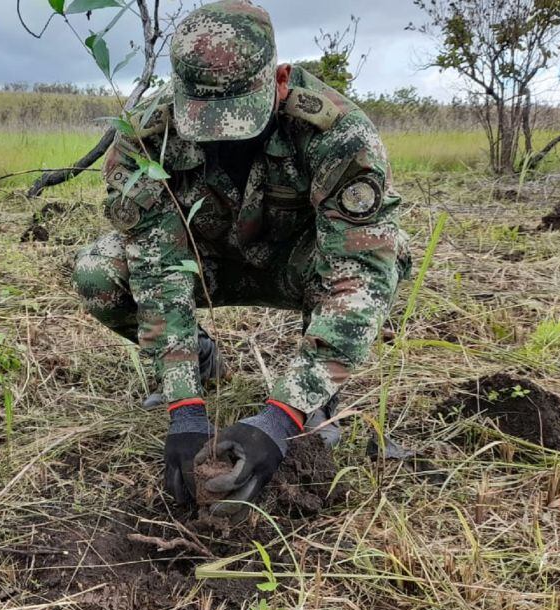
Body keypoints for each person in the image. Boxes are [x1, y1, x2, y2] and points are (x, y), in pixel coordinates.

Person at [72, 0, 410, 518]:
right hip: (207, 264)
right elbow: (159, 268)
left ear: (277, 80)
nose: (220, 135)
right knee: (100, 269)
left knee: (366, 270)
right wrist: (184, 407)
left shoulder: (338, 134)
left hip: (301, 265)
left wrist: (278, 419)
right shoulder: (146, 136)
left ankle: (313, 403)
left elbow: (357, 278)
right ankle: (202, 360)